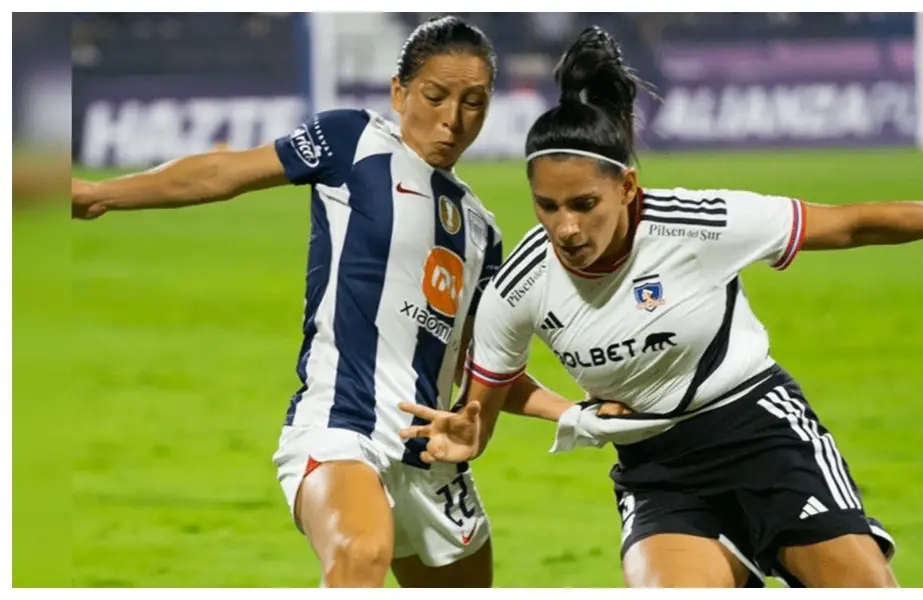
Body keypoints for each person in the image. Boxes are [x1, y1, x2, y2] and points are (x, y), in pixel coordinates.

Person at [397, 26, 923, 588]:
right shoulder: (518, 286)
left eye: (585, 205)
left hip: (763, 434)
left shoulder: (698, 224)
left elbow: (852, 222)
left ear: (629, 191)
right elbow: (482, 407)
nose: (567, 228)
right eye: (547, 208)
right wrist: (473, 433)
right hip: (657, 469)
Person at [71, 16, 581, 588]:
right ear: (399, 92)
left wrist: (577, 411)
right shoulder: (354, 141)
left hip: (431, 455)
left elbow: (486, 370)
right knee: (360, 556)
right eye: (436, 96)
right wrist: (100, 193)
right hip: (343, 428)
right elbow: (224, 170)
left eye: (474, 103)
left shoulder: (483, 233)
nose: (452, 119)